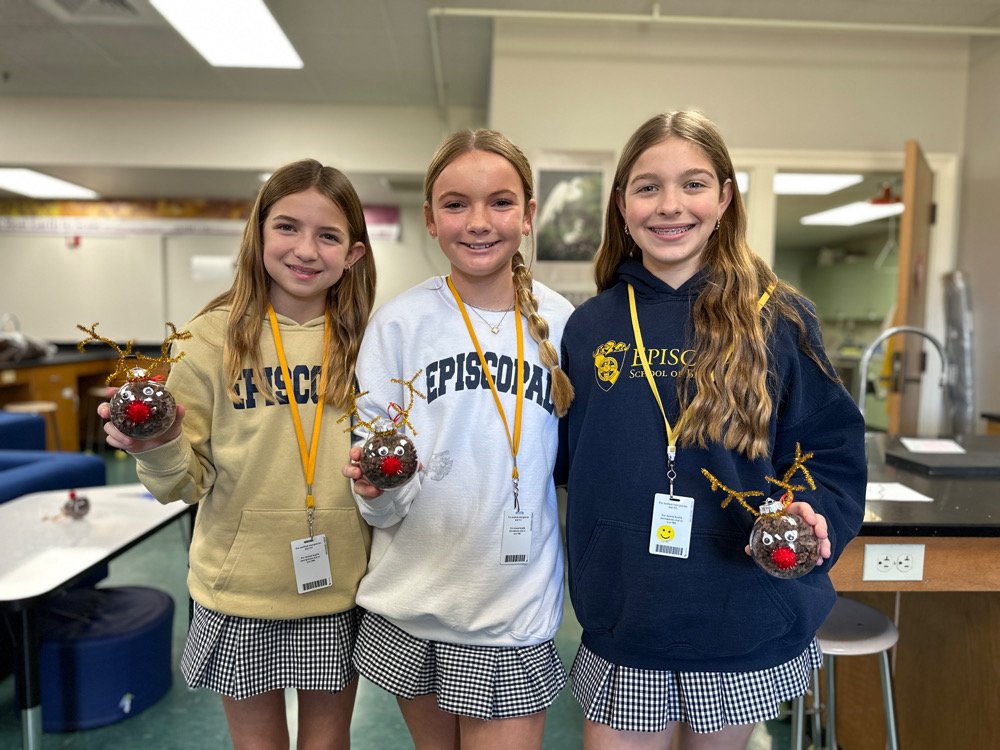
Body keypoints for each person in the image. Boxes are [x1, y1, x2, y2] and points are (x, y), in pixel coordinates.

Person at [560, 111, 867, 749]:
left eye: (693, 184)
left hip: (741, 612)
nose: (670, 205)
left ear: (725, 198)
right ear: (621, 204)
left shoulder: (778, 317)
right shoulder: (589, 327)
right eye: (648, 187)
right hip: (628, 617)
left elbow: (830, 448)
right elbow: (567, 461)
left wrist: (811, 512)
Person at [99, 159, 376, 749]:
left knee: (328, 741)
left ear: (353, 254)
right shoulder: (208, 339)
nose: (306, 250)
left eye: (328, 236)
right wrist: (157, 447)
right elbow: (182, 484)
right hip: (239, 586)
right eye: (287, 227)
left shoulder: (367, 342)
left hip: (340, 582)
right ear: (258, 232)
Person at [342, 128, 575, 749]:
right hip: (412, 602)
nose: (478, 222)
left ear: (528, 214)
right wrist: (376, 491)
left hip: (510, 610)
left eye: (500, 202)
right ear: (429, 218)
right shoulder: (399, 324)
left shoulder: (565, 324)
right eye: (455, 204)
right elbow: (379, 486)